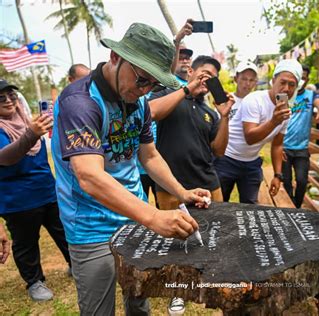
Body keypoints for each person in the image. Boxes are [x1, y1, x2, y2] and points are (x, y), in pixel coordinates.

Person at [51, 23, 211, 315]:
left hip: (133, 215)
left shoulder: (139, 103)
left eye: (152, 84)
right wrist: (153, 216)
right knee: (100, 310)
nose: (144, 91)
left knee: (139, 297)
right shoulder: (81, 102)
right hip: (91, 226)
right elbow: (88, 176)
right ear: (115, 57)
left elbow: (149, 156)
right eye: (141, 80)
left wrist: (181, 192)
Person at [0, 79, 71, 301]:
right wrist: (31, 133)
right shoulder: (16, 128)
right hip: (18, 201)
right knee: (26, 243)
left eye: (11, 95)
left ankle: (75, 265)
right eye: (1, 98)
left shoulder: (26, 121)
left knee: (65, 232)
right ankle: (34, 281)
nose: (8, 100)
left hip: (47, 191)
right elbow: (6, 157)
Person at [148, 55, 234, 210]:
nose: (207, 81)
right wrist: (187, 89)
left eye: (213, 78)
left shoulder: (210, 112)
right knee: (174, 233)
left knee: (216, 230)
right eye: (205, 74)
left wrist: (225, 117)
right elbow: (152, 111)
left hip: (208, 185)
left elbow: (219, 151)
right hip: (171, 186)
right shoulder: (167, 94)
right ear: (190, 71)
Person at [214, 59, 301, 204]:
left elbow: (277, 145)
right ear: (273, 80)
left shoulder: (285, 112)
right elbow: (250, 137)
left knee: (251, 208)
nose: (286, 88)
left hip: (251, 163)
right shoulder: (254, 100)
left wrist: (277, 175)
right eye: (282, 82)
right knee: (219, 205)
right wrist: (274, 121)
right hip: (227, 159)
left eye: (292, 85)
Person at [282, 65, 319, 208]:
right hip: (284, 147)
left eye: (304, 77)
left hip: (301, 148)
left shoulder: (311, 95)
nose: (301, 80)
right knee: (287, 181)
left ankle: (296, 206)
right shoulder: (284, 95)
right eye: (299, 77)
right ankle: (291, 209)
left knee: (302, 181)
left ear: (307, 79)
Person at [213, 61, 259, 202]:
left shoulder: (258, 102)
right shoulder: (226, 101)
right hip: (226, 159)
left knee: (250, 205)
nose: (247, 83)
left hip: (251, 162)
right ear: (236, 79)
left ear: (255, 83)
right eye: (244, 79)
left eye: (251, 80)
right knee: (221, 203)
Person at [172, 19, 194, 86]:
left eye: (187, 58)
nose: (185, 61)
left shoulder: (194, 84)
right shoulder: (169, 81)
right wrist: (178, 40)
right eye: (180, 58)